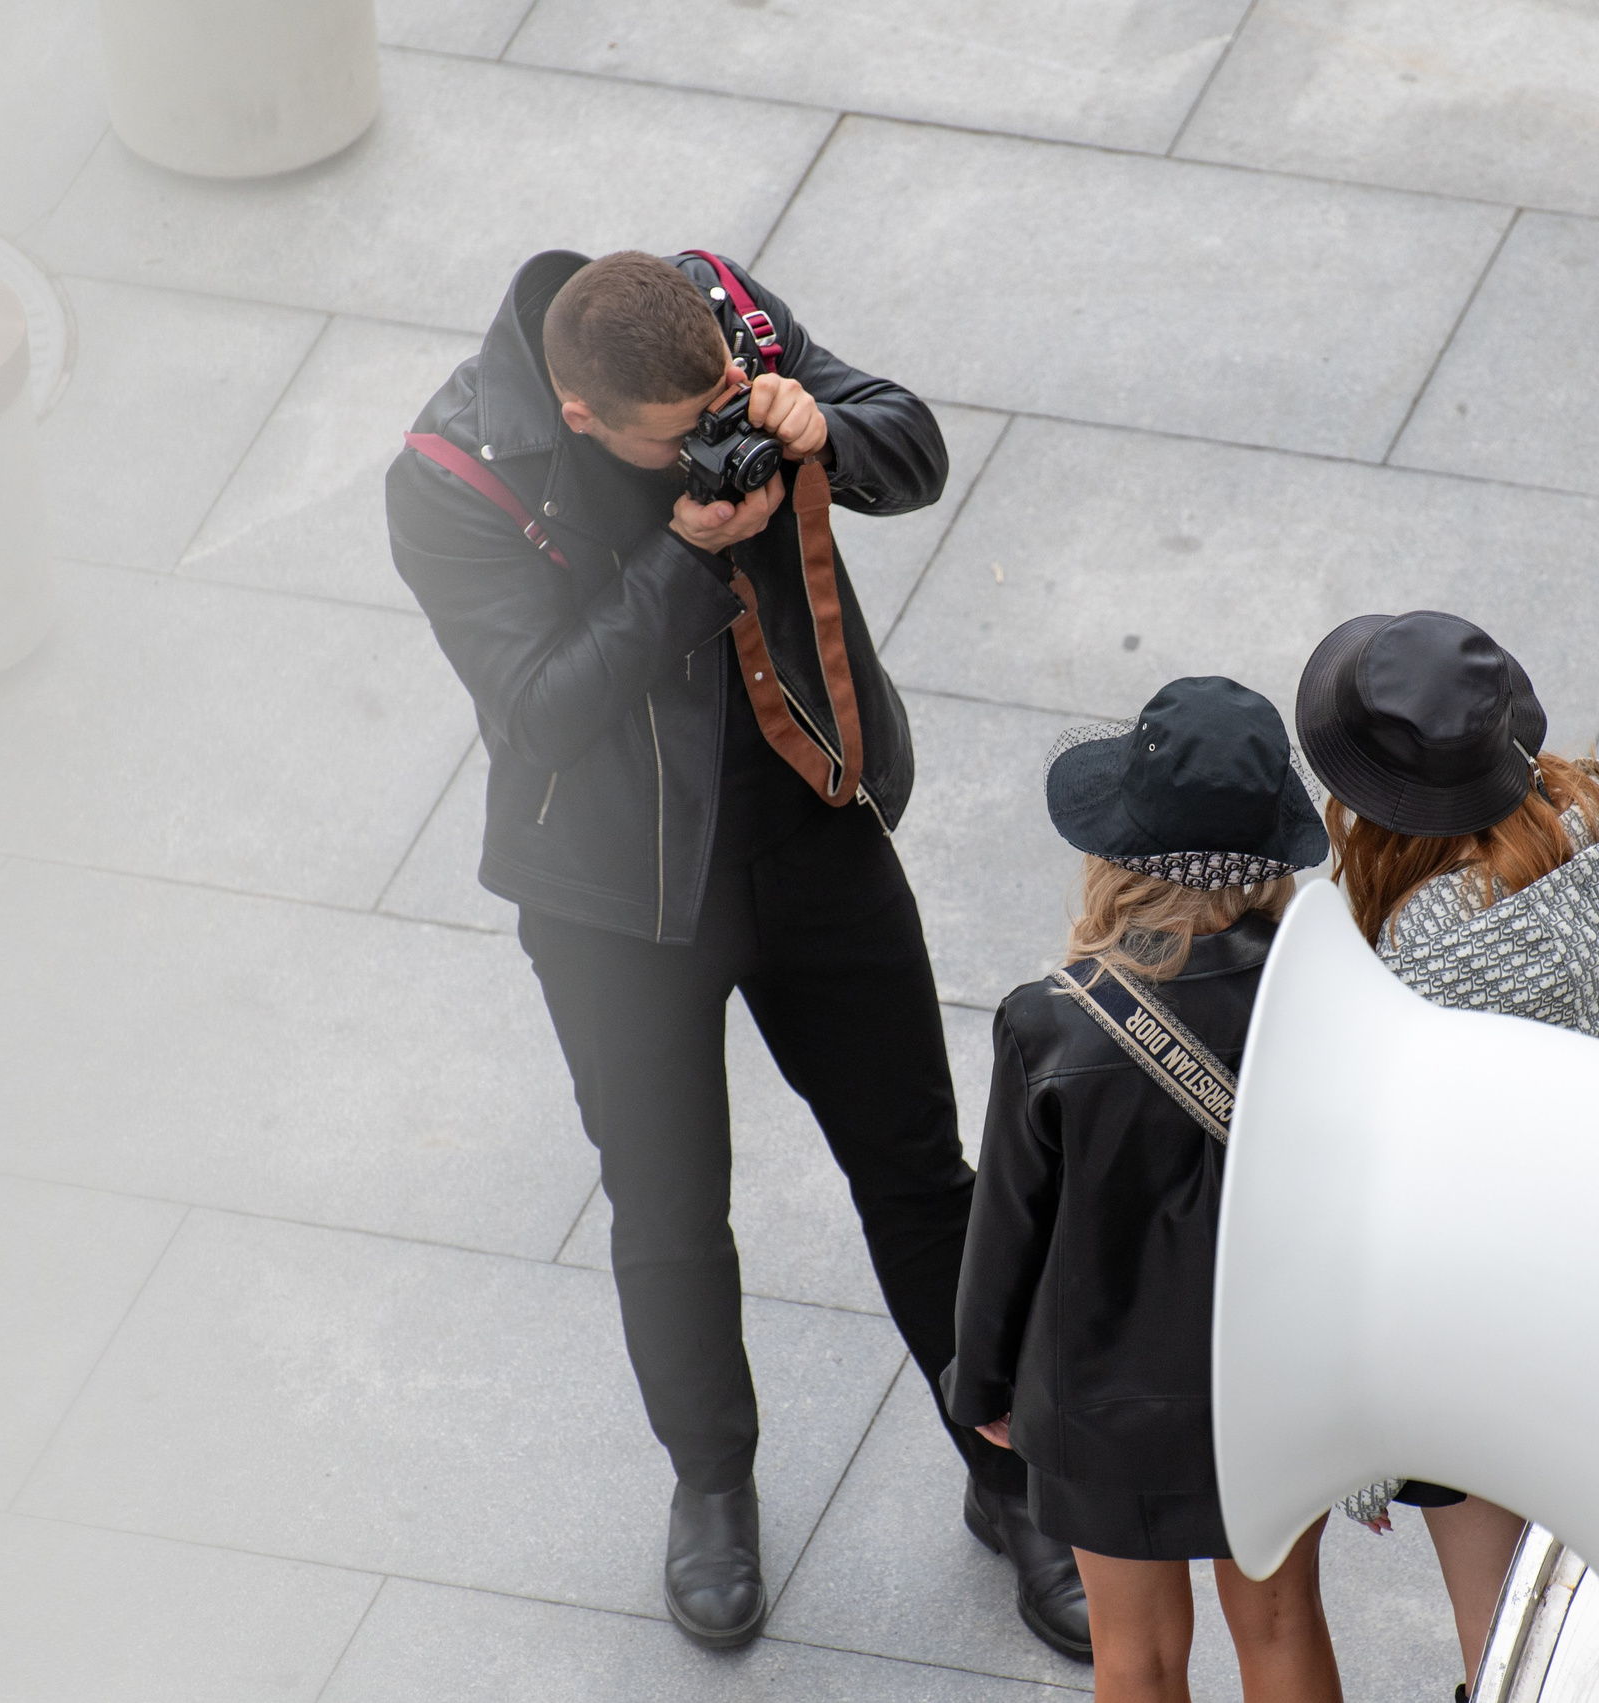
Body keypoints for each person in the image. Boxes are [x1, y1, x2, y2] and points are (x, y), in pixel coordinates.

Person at [384, 248, 1086, 1657]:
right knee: (669, 1209)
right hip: (611, 894)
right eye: (676, 430)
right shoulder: (461, 478)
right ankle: (713, 1485)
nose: (714, 430)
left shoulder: (720, 315)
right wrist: (686, 552)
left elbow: (914, 454)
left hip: (807, 821)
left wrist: (829, 425)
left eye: (727, 393)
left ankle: (1011, 1478)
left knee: (920, 1171)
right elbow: (538, 709)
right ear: (584, 419)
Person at [1293, 610, 1599, 1698]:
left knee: (1501, 1625)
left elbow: (1397, 1211)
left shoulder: (1420, 950)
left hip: (1508, 1319)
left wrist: (1357, 1446)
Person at [944, 676, 1344, 1703]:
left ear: (1118, 850)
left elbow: (1006, 1231)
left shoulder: (1054, 1021)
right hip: (1271, 1376)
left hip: (1097, 1394)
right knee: (1283, 1621)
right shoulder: (1324, 994)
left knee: (1137, 1651)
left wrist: (983, 1384)